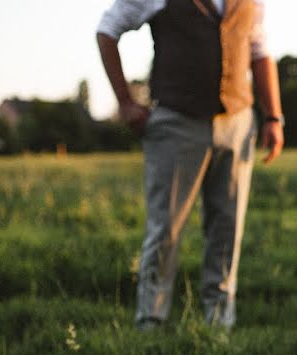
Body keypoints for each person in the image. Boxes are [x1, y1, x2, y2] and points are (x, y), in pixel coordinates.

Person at [97, 0, 284, 330]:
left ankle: (219, 326)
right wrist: (125, 102)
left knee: (227, 228)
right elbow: (108, 30)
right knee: (165, 229)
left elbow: (258, 49)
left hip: (238, 122)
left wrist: (273, 116)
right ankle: (150, 324)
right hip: (176, 122)